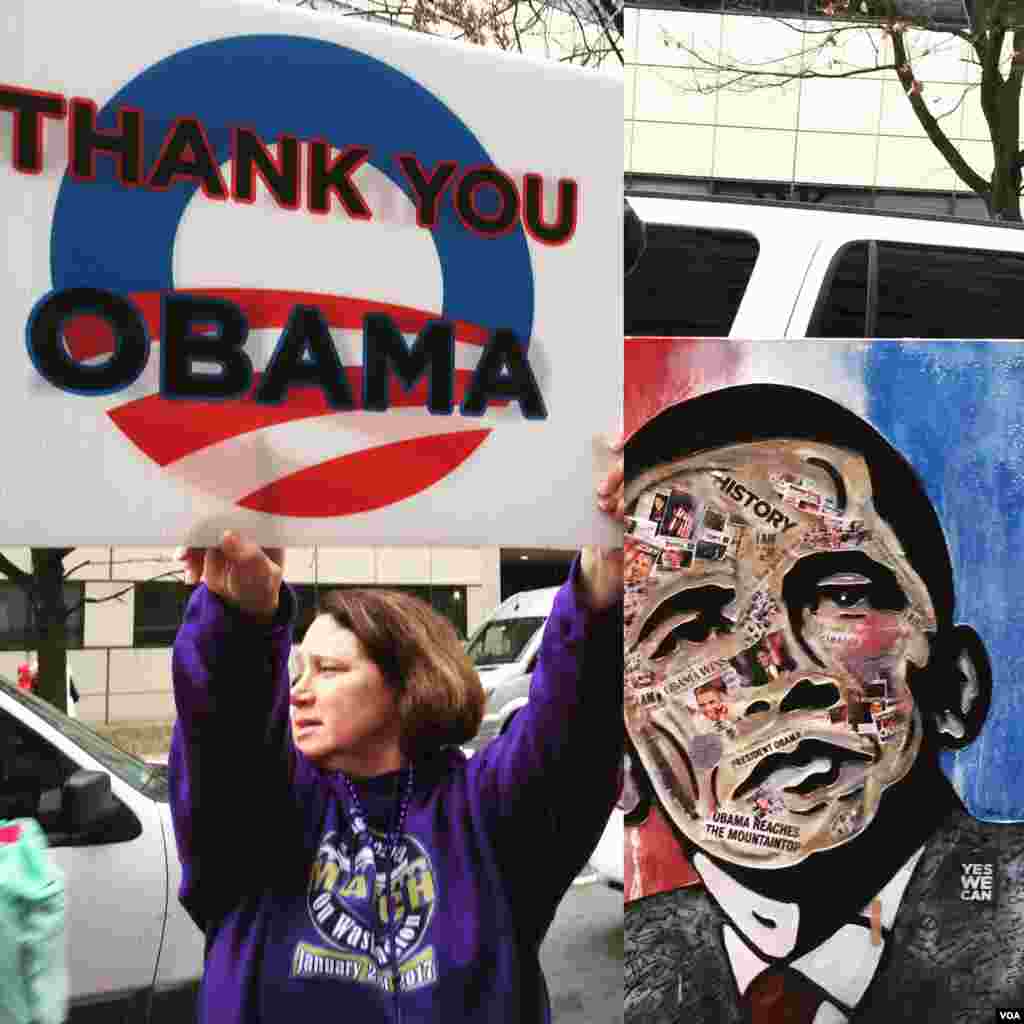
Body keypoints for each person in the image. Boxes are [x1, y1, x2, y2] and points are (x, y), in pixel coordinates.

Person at [167, 441, 624, 1024]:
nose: (298, 691)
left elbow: (574, 728)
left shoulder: (486, 812)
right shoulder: (265, 812)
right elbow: (222, 734)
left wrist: (605, 575)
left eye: (329, 670)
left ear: (408, 684)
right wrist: (238, 619)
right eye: (298, 670)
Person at [623, 385, 1024, 1023]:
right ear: (623, 762)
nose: (778, 674)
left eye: (843, 597)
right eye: (690, 629)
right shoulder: (643, 967)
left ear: (956, 686)